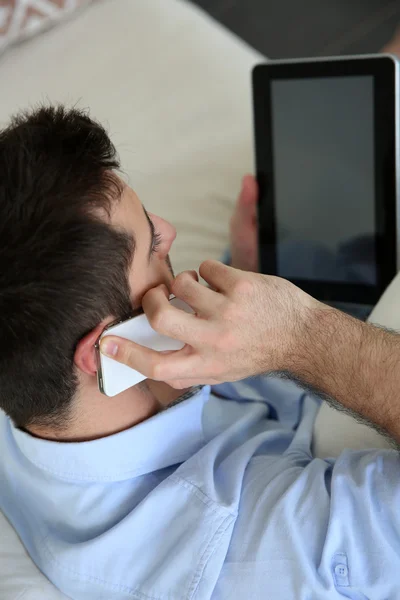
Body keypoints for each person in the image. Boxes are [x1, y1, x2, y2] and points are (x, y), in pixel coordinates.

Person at [1, 37, 400, 600]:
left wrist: (253, 270)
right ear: (105, 351)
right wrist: (301, 337)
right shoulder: (268, 543)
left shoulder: (29, 389)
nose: (171, 232)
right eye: (152, 248)